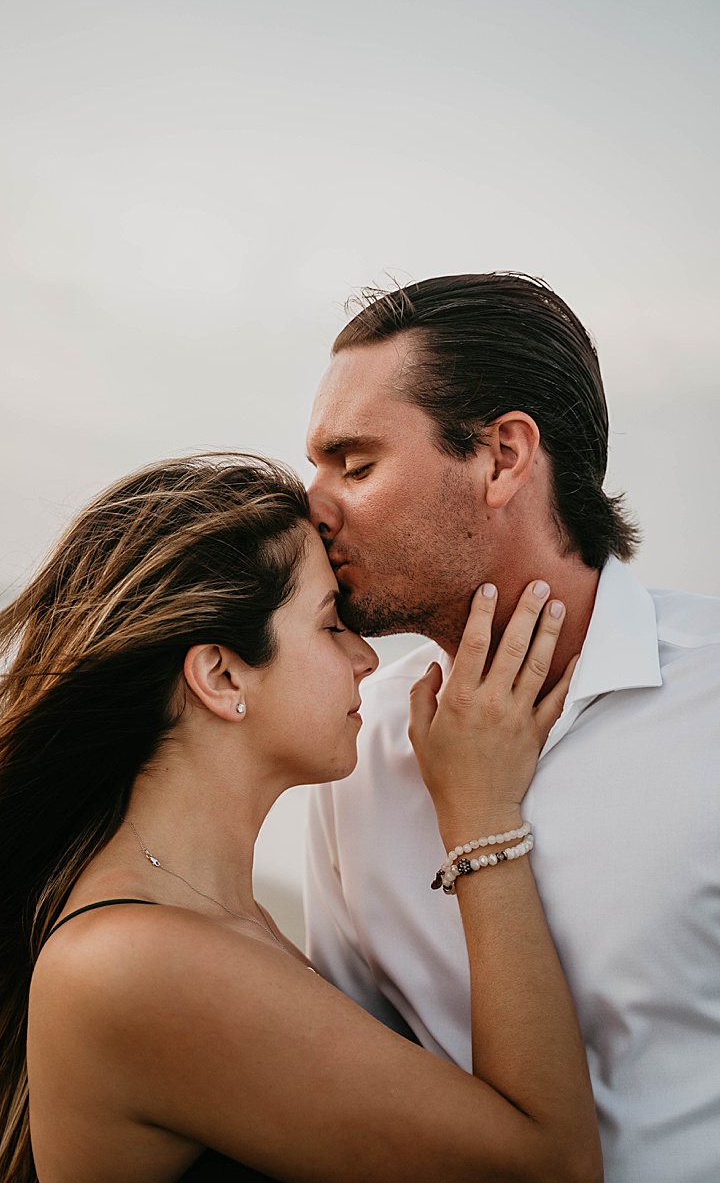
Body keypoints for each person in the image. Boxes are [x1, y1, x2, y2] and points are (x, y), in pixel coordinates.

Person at [0, 454, 602, 1183]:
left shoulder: (213, 916)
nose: (367, 658)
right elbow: (552, 1167)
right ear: (221, 676)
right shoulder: (135, 961)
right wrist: (480, 818)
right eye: (330, 623)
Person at [302, 273, 720, 1183]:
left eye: (356, 465)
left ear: (501, 457)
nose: (315, 505)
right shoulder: (351, 746)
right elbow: (353, 1085)